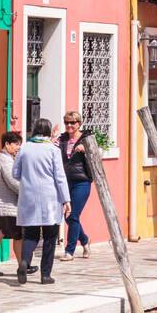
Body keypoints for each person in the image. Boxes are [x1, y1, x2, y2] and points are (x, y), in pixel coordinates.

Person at [13, 118, 71, 285]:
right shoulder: (52, 149)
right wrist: (66, 199)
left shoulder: (24, 148)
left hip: (29, 197)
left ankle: (25, 261)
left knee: (30, 235)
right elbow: (60, 177)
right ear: (48, 131)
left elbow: (15, 173)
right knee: (50, 237)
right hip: (50, 198)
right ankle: (45, 275)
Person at [0, 131, 26, 277]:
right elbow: (13, 182)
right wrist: (28, 192)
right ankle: (23, 265)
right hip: (6, 207)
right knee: (19, 236)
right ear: (7, 144)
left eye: (20, 145)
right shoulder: (6, 160)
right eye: (16, 144)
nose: (18, 148)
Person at [58, 111, 94, 260]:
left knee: (73, 216)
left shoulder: (86, 138)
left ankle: (70, 251)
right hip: (65, 182)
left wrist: (86, 149)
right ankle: (85, 240)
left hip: (82, 181)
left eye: (73, 122)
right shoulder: (62, 139)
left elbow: (98, 154)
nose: (69, 125)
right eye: (67, 122)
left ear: (79, 123)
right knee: (69, 218)